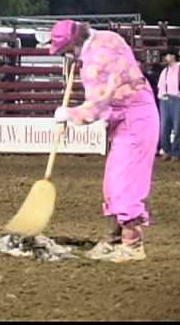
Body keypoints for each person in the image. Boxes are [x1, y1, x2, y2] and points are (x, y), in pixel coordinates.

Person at [50, 20, 159, 263]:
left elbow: (96, 109)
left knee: (125, 182)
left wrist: (67, 114)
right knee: (113, 181)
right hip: (131, 117)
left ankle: (132, 245)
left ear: (75, 43)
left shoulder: (93, 63)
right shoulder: (108, 38)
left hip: (134, 118)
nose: (69, 57)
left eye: (68, 51)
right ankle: (115, 241)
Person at [157, 48, 180, 162]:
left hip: (178, 99)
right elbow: (161, 86)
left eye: (167, 55)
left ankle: (176, 152)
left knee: (178, 128)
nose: (165, 58)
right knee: (164, 128)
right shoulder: (165, 71)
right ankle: (167, 150)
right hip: (166, 100)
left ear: (172, 56)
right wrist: (162, 96)